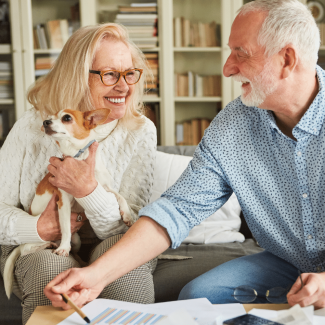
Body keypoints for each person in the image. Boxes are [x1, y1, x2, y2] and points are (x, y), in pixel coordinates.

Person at [45, 0, 325, 310]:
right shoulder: (233, 126)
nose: (228, 68)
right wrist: (96, 276)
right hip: (286, 263)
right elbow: (177, 210)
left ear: (286, 59)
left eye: (241, 54)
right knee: (197, 299)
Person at [0, 23, 157, 324]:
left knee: (128, 274)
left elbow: (134, 230)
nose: (124, 87)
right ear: (77, 76)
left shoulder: (140, 131)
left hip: (109, 241)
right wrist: (39, 229)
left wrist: (89, 192)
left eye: (129, 73)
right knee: (50, 276)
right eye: (110, 74)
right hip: (39, 245)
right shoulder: (33, 126)